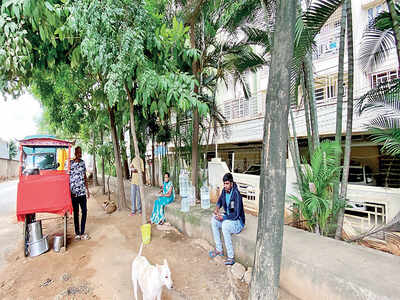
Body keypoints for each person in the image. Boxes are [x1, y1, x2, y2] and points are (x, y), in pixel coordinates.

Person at [209, 173, 245, 265]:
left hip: (238, 222)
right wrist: (217, 208)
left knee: (224, 225)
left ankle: (231, 257)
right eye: (224, 184)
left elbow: (236, 214)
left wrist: (223, 217)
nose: (225, 186)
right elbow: (220, 201)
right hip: (229, 219)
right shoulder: (224, 191)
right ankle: (219, 250)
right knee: (214, 220)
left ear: (232, 183)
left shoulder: (237, 194)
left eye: (227, 183)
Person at [69, 146, 90, 240]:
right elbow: (67, 178)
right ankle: (77, 233)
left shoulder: (83, 163)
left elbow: (85, 176)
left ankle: (82, 232)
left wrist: (87, 190)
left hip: (82, 192)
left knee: (84, 211)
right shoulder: (70, 163)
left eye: (81, 152)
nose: (80, 154)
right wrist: (68, 192)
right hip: (74, 193)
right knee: (76, 213)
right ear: (75, 153)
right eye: (78, 152)